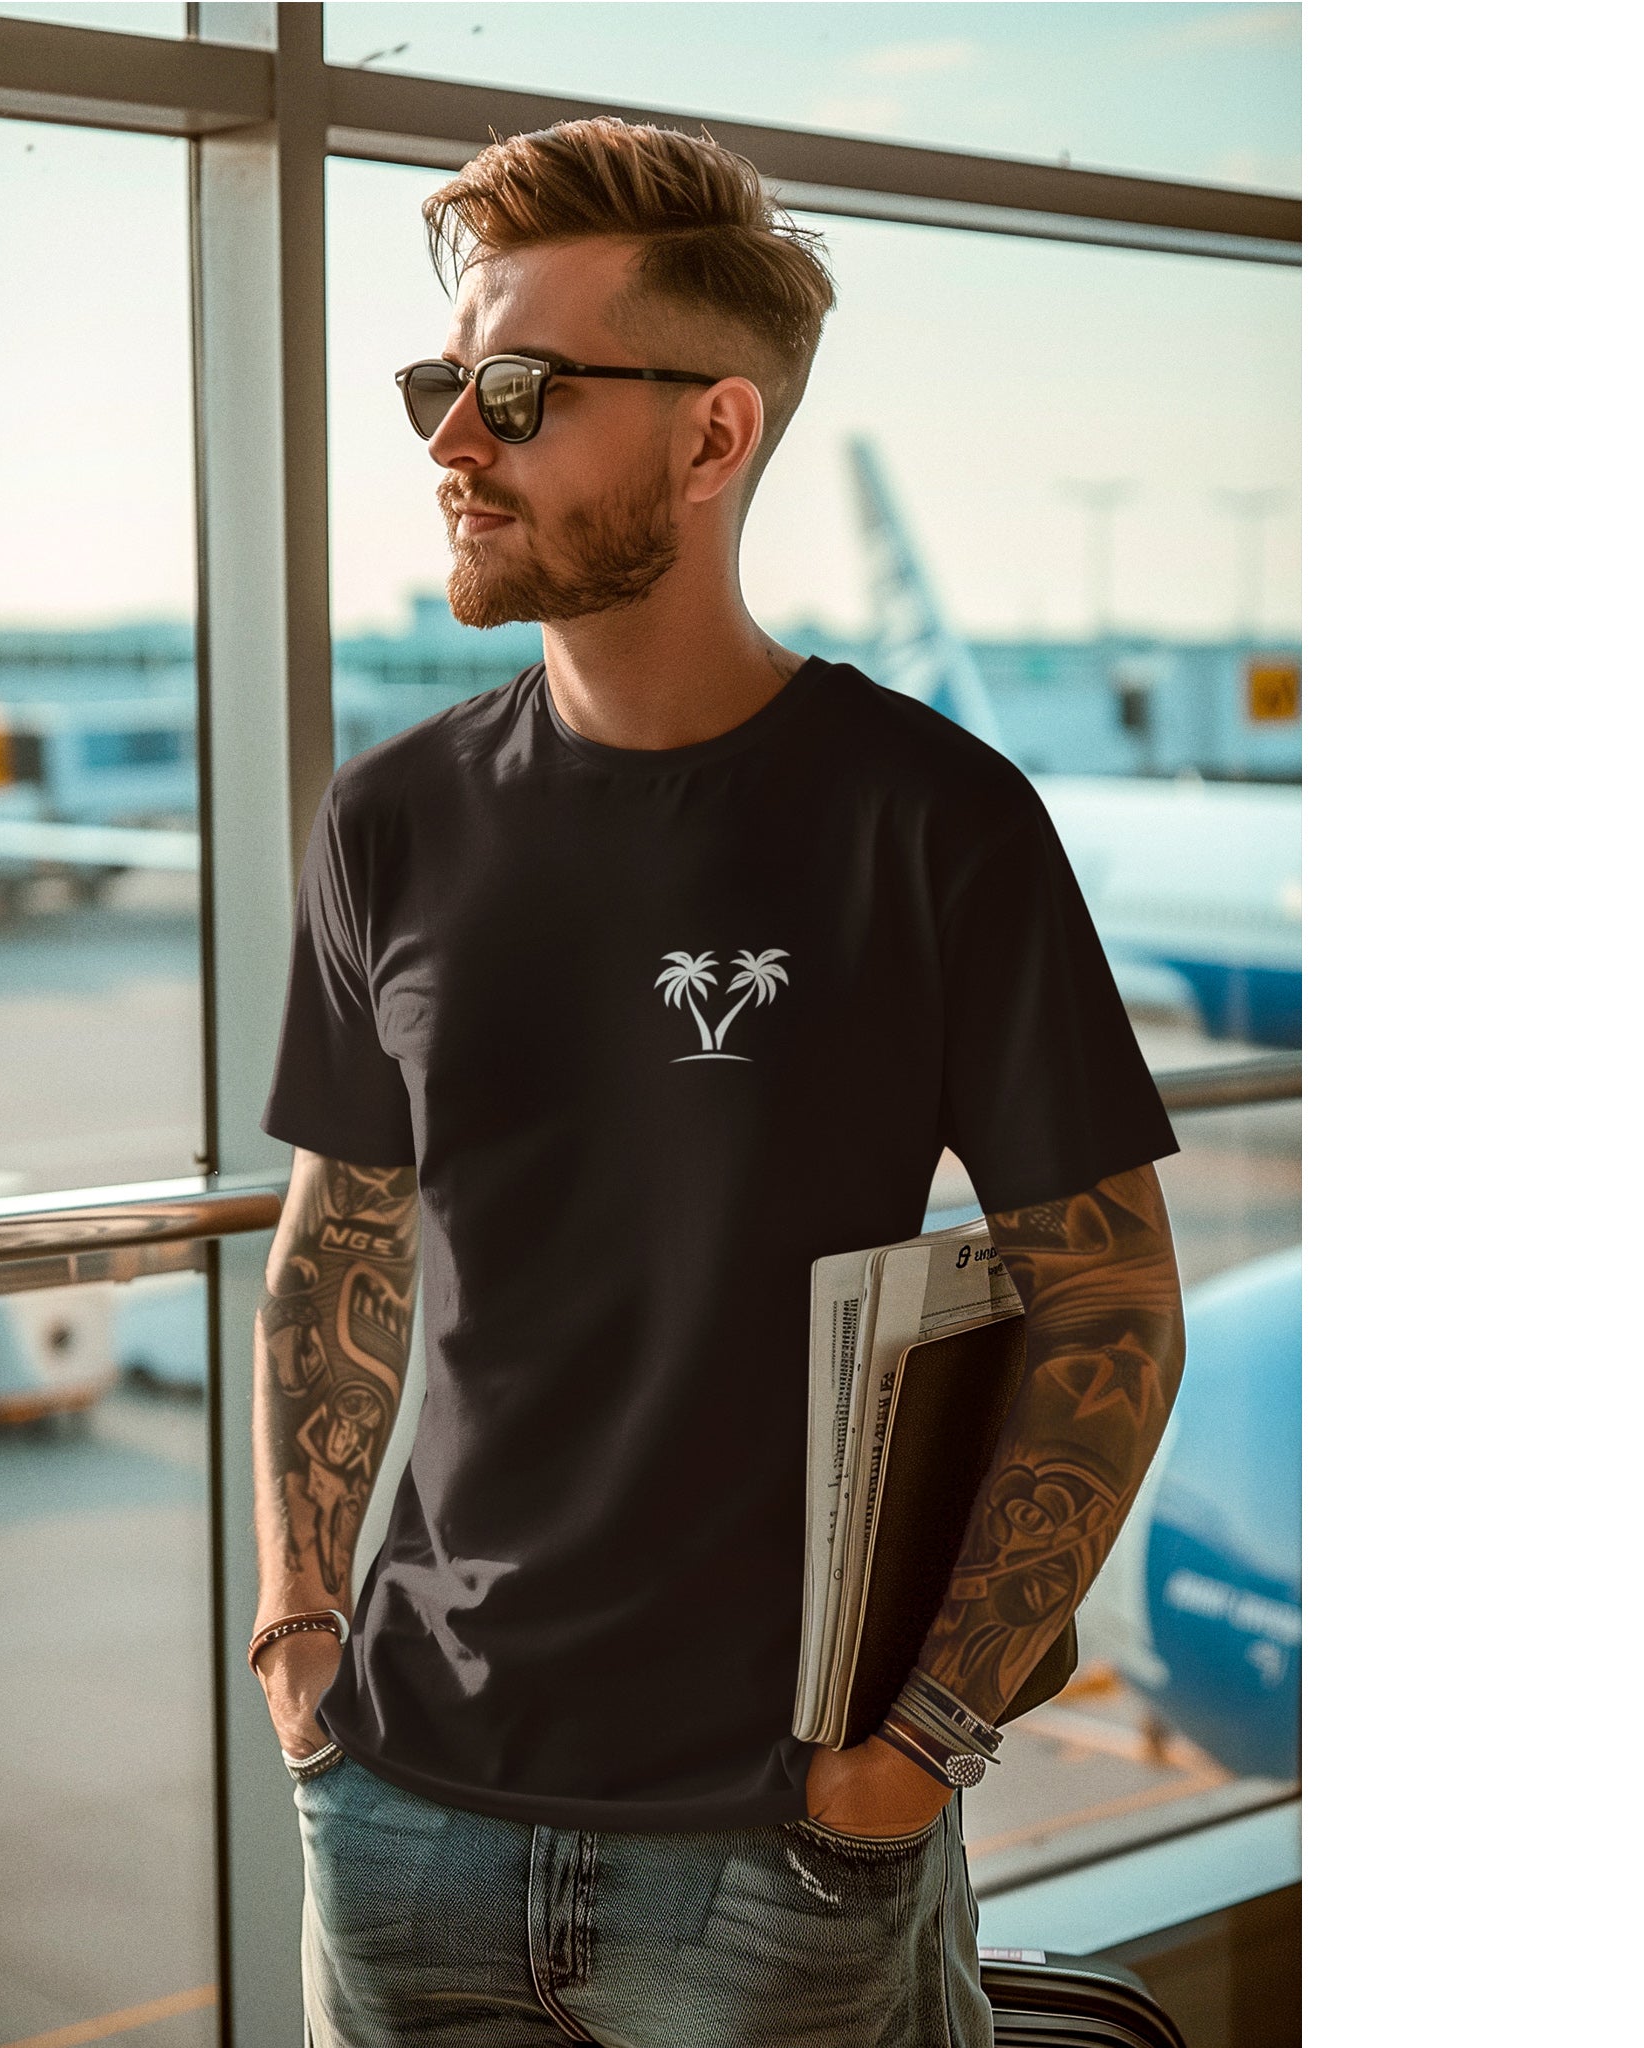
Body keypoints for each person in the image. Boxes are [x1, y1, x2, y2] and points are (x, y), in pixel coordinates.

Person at [248, 117, 1188, 2048]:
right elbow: (335, 1249)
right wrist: (299, 1644)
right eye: (441, 382)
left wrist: (917, 1753)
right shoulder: (392, 823)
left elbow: (1110, 1298)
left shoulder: (933, 825)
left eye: (514, 389)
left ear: (710, 435)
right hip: (409, 1815)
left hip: (776, 1848)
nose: (448, 441)